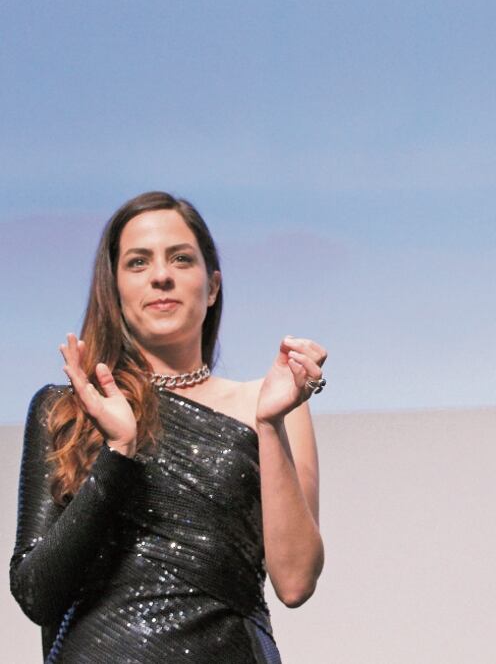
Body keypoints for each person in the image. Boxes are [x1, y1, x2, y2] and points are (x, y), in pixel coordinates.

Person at [10, 191, 326, 662]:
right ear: (114, 291)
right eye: (138, 263)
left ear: (213, 286)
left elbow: (296, 582)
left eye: (181, 259)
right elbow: (36, 592)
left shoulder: (270, 406)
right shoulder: (69, 411)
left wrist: (268, 422)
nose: (161, 276)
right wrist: (118, 451)